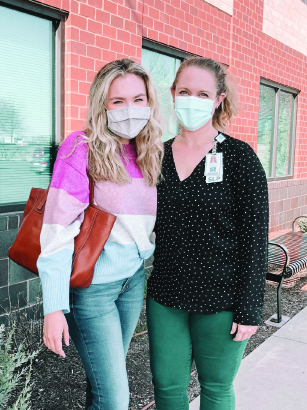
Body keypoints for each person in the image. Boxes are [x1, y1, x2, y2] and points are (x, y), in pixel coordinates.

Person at [37, 58, 163, 410]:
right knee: (115, 400)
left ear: (150, 102)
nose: (130, 110)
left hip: (132, 282)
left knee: (104, 385)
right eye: (117, 101)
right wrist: (54, 307)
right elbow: (57, 229)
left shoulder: (149, 151)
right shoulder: (81, 147)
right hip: (93, 291)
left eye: (138, 99)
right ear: (102, 105)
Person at [146, 56, 269, 410]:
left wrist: (249, 309)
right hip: (166, 295)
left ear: (218, 100)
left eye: (202, 93)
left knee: (215, 388)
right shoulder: (156, 155)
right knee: (167, 388)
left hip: (222, 300)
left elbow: (255, 240)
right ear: (172, 94)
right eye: (184, 91)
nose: (192, 99)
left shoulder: (239, 158)